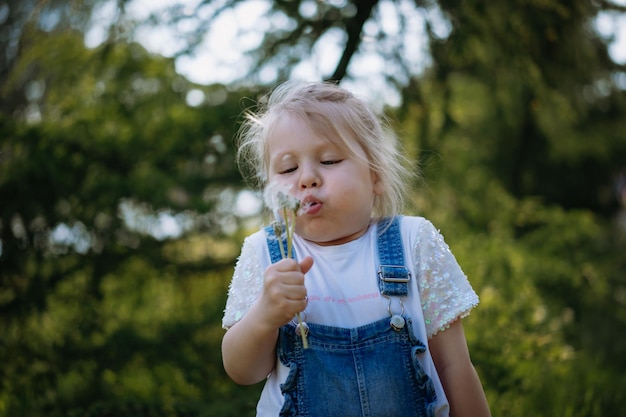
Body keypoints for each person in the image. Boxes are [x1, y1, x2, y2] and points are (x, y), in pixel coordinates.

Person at [221, 80, 491, 417]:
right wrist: (264, 315)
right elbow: (242, 371)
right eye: (288, 168)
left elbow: (454, 366)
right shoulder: (265, 252)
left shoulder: (412, 242)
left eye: (330, 160)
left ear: (375, 175)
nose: (306, 178)